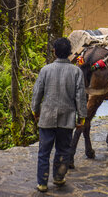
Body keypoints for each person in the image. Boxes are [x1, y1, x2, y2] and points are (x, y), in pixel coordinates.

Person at [31, 37, 87, 193]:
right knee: (63, 150)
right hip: (66, 119)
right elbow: (80, 97)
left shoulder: (45, 70)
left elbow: (37, 94)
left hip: (47, 118)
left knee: (44, 152)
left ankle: (42, 183)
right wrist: (81, 117)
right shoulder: (76, 71)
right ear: (69, 53)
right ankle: (58, 177)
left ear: (54, 51)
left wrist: (35, 111)